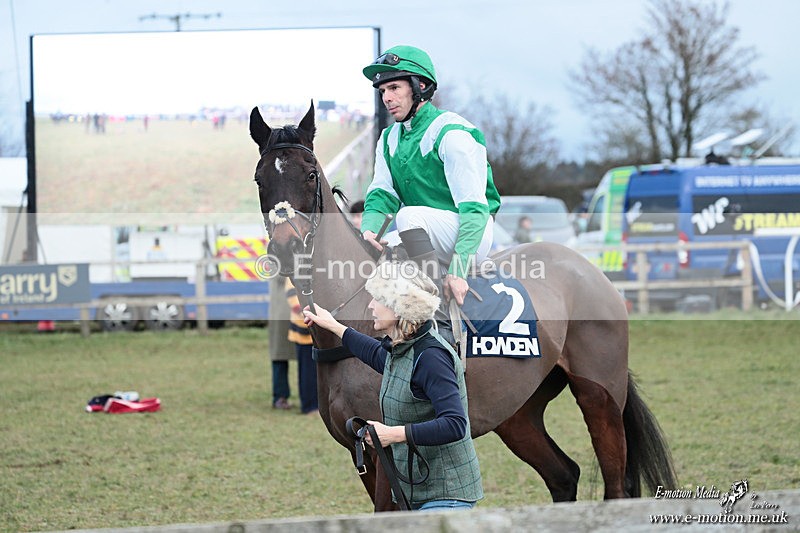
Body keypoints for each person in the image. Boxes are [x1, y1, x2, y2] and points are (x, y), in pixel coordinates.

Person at [303, 261, 483, 511]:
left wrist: (393, 434)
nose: (370, 305)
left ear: (400, 307)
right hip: (420, 493)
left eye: (378, 299)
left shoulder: (431, 358)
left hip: (447, 496)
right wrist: (332, 325)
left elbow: (455, 424)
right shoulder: (405, 348)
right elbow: (373, 352)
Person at [359, 45, 502, 307]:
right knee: (381, 254)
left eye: (394, 88)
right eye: (382, 91)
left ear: (420, 86)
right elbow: (382, 194)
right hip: (425, 233)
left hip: (470, 235)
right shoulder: (388, 137)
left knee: (408, 216)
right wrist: (369, 230)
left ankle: (436, 303)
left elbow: (474, 210)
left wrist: (458, 271)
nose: (387, 98)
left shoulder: (452, 133)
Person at [285, 278, 318, 415]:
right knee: (307, 371)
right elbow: (291, 295)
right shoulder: (294, 273)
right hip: (303, 329)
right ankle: (309, 406)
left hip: (317, 326)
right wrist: (308, 313)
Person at [268, 275, 293, 410]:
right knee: (279, 355)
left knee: (308, 356)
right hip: (282, 310)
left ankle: (310, 397)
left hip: (297, 308)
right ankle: (280, 396)